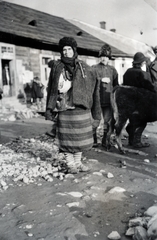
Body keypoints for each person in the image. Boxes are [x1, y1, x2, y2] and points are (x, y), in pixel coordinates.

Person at [45, 36, 101, 173]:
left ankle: (78, 163)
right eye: (64, 49)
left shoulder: (84, 68)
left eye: (69, 49)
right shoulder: (57, 67)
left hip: (81, 108)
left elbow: (93, 88)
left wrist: (96, 112)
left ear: (74, 50)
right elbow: (51, 87)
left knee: (79, 139)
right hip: (64, 107)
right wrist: (49, 107)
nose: (66, 52)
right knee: (67, 139)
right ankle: (71, 165)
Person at [123, 52, 156, 148]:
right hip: (140, 103)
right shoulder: (142, 73)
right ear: (141, 63)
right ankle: (136, 142)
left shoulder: (127, 72)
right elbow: (150, 87)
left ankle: (131, 140)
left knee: (133, 120)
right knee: (142, 122)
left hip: (129, 102)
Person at [92, 44, 119, 149]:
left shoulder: (113, 70)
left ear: (109, 58)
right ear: (100, 57)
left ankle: (105, 141)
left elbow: (117, 86)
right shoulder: (94, 68)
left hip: (108, 100)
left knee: (107, 122)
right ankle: (93, 140)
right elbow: (89, 83)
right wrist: (99, 80)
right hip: (97, 100)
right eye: (102, 56)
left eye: (106, 56)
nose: (104, 58)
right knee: (95, 121)